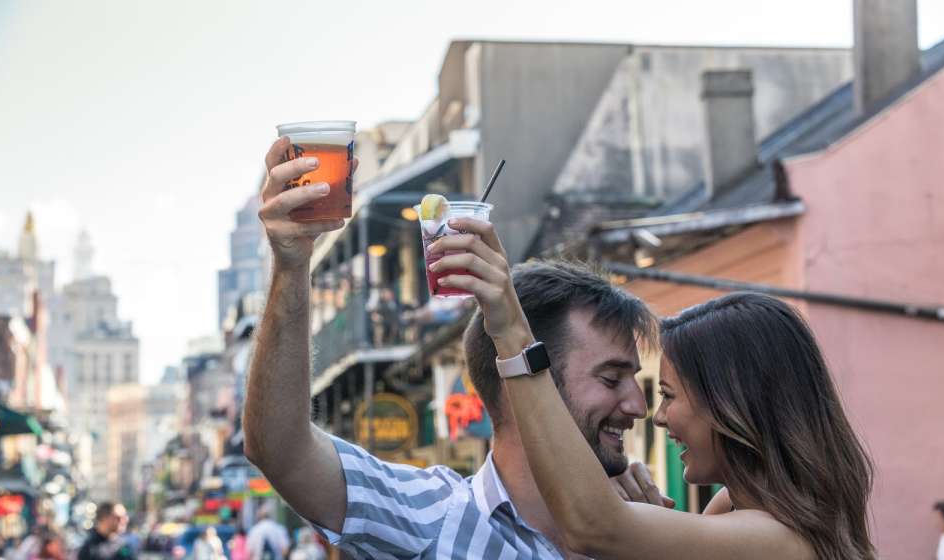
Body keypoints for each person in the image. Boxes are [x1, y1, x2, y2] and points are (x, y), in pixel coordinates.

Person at [243, 137, 669, 559]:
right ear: (520, 386)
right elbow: (281, 450)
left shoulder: (646, 529)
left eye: (633, 378)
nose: (638, 405)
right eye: (611, 378)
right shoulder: (435, 518)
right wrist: (291, 264)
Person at [466, 225, 877, 559]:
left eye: (669, 395)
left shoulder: (783, 541)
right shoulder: (733, 508)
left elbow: (594, 527)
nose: (655, 415)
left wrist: (514, 337)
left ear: (730, 404)